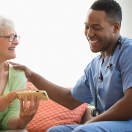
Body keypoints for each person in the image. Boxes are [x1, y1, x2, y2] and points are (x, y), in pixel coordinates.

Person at [11, 0, 132, 131]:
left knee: (82, 130)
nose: (89, 33)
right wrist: (33, 76)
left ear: (116, 27)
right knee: (54, 131)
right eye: (87, 27)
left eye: (96, 28)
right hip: (103, 124)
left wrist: (92, 122)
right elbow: (70, 99)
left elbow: (130, 104)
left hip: (127, 122)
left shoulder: (128, 51)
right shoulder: (94, 65)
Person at [0, 15, 40, 132]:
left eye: (16, 36)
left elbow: (9, 118)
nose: (16, 42)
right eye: (11, 37)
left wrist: (22, 121)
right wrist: (11, 96)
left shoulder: (18, 74)